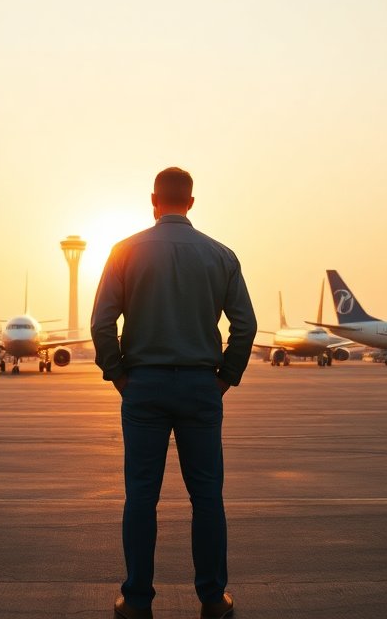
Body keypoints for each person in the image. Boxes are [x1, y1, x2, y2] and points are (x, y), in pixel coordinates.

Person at [91, 167, 257, 619]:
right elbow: (245, 326)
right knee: (207, 496)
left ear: (153, 201)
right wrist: (226, 377)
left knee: (141, 496)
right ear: (191, 202)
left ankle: (137, 601)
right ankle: (212, 598)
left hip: (143, 385)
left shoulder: (124, 251)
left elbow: (102, 323)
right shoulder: (221, 255)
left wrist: (118, 375)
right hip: (201, 387)